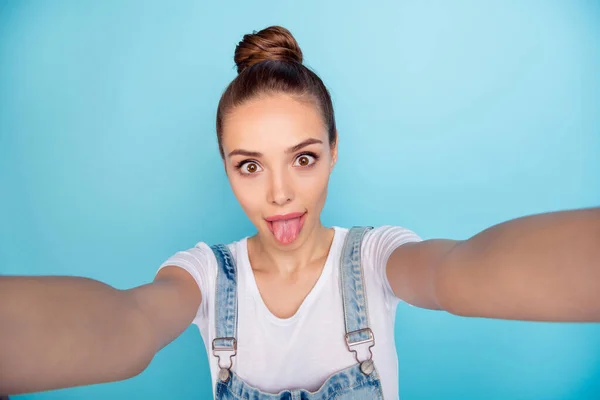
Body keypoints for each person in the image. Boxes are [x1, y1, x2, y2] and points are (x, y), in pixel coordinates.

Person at [0, 25, 599, 400]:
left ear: (335, 152)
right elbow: (126, 322)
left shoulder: (374, 257)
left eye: (304, 158)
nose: (280, 194)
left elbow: (461, 272)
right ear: (227, 169)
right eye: (250, 166)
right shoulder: (207, 275)